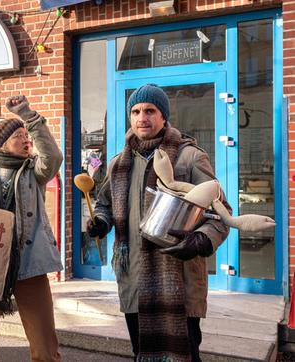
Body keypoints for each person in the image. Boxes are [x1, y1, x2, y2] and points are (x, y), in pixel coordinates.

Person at [88, 84, 230, 361]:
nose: (142, 117)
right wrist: (102, 222)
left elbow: (221, 211)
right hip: (133, 279)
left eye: (150, 111)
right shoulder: (118, 163)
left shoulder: (189, 157)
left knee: (185, 353)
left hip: (179, 277)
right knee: (141, 352)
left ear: (163, 116)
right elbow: (103, 202)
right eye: (136, 111)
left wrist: (201, 240)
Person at [0, 95, 63, 362]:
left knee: (45, 349)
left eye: (26, 134)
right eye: (18, 135)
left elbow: (52, 156)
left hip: (29, 265)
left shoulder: (33, 171)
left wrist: (28, 117)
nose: (26, 138)